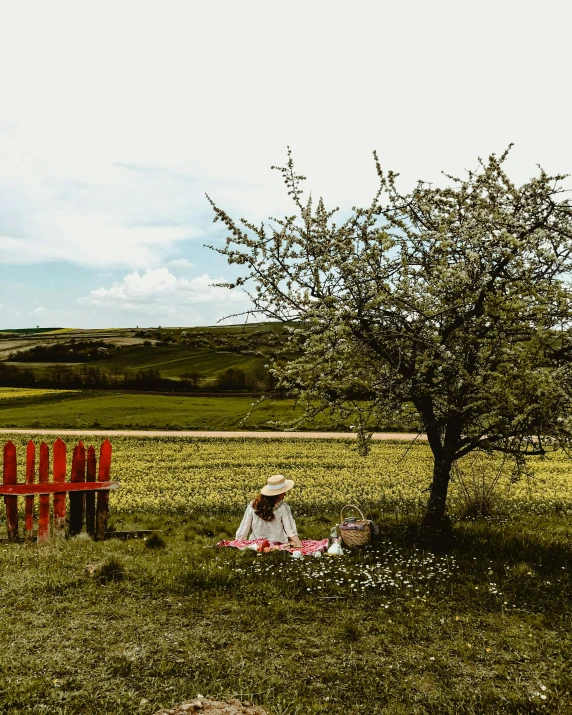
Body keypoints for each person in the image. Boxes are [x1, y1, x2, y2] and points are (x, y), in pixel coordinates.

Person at [236, 474, 302, 548]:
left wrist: (239, 541)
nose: (285, 494)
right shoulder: (283, 507)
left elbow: (244, 526)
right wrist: (298, 543)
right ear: (277, 493)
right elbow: (290, 530)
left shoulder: (253, 505)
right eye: (283, 492)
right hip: (278, 544)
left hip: (257, 544)